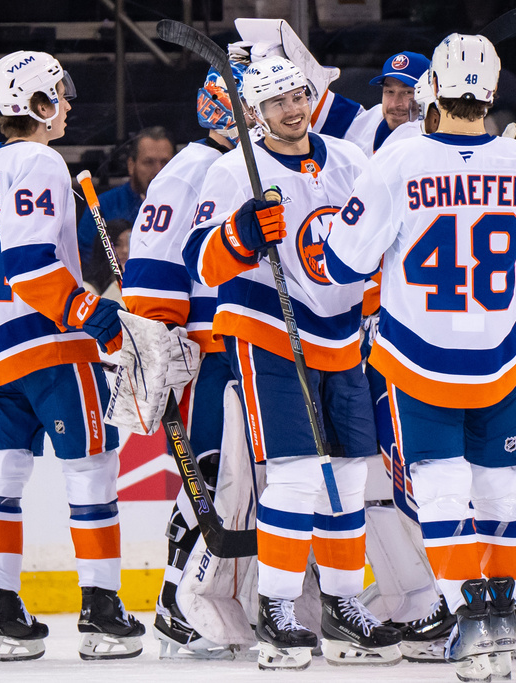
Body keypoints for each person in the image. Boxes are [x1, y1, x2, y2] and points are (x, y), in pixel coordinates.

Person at [323, 34, 516, 682]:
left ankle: (470, 615)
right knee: (501, 489)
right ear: (491, 93)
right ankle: (500, 616)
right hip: (500, 358)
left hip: (418, 359)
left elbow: (342, 261)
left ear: (431, 90)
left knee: (438, 491)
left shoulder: (397, 161)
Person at [182, 55, 402, 670]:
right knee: (299, 474)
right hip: (270, 331)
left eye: (297, 96)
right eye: (276, 102)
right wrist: (242, 235)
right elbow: (203, 263)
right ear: (252, 111)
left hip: (342, 337)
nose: (292, 109)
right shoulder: (233, 170)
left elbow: (381, 239)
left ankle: (339, 603)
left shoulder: (351, 160)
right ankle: (277, 608)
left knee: (349, 479)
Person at [0, 50, 142, 663]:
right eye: (59, 93)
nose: (67, 103)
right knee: (90, 469)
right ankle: (99, 612)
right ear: (37, 104)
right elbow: (31, 265)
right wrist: (93, 314)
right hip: (46, 344)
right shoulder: (41, 159)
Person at [120, 62, 250, 658]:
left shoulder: (245, 162)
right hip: (210, 349)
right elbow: (149, 272)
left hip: (245, 343)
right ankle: (176, 601)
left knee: (233, 479)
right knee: (211, 473)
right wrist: (161, 339)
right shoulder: (190, 170)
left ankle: (207, 597)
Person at [76, 127, 175, 266]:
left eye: (165, 162)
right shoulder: (103, 206)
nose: (158, 171)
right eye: (149, 162)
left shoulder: (188, 206)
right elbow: (86, 258)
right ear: (131, 165)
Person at [83, 218, 131, 303]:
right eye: (117, 244)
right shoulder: (86, 288)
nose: (125, 250)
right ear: (103, 248)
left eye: (130, 244)